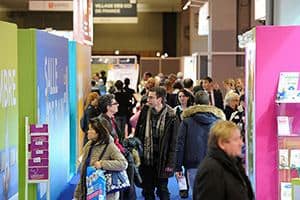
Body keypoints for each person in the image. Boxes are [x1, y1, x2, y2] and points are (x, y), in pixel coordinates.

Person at [175, 91, 225, 195]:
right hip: (214, 163)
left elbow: (180, 144)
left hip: (192, 163)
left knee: (197, 194)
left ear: (194, 103)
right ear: (209, 103)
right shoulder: (219, 121)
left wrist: (178, 166)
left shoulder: (186, 121)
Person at [135, 86, 179, 200]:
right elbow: (137, 133)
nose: (148, 100)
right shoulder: (145, 110)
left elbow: (174, 143)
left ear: (160, 99)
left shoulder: (172, 115)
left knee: (162, 189)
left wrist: (170, 163)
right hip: (146, 158)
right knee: (147, 190)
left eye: (151, 97)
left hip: (162, 159)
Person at [193, 120, 254, 200]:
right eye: (236, 139)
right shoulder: (211, 170)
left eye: (240, 138)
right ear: (222, 143)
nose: (241, 143)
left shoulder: (233, 162)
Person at [74, 118, 128, 200]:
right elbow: (84, 173)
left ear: (98, 132)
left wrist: (102, 164)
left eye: (91, 129)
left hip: (107, 193)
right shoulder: (88, 146)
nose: (88, 131)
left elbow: (123, 163)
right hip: (90, 190)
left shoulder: (110, 146)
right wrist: (77, 196)